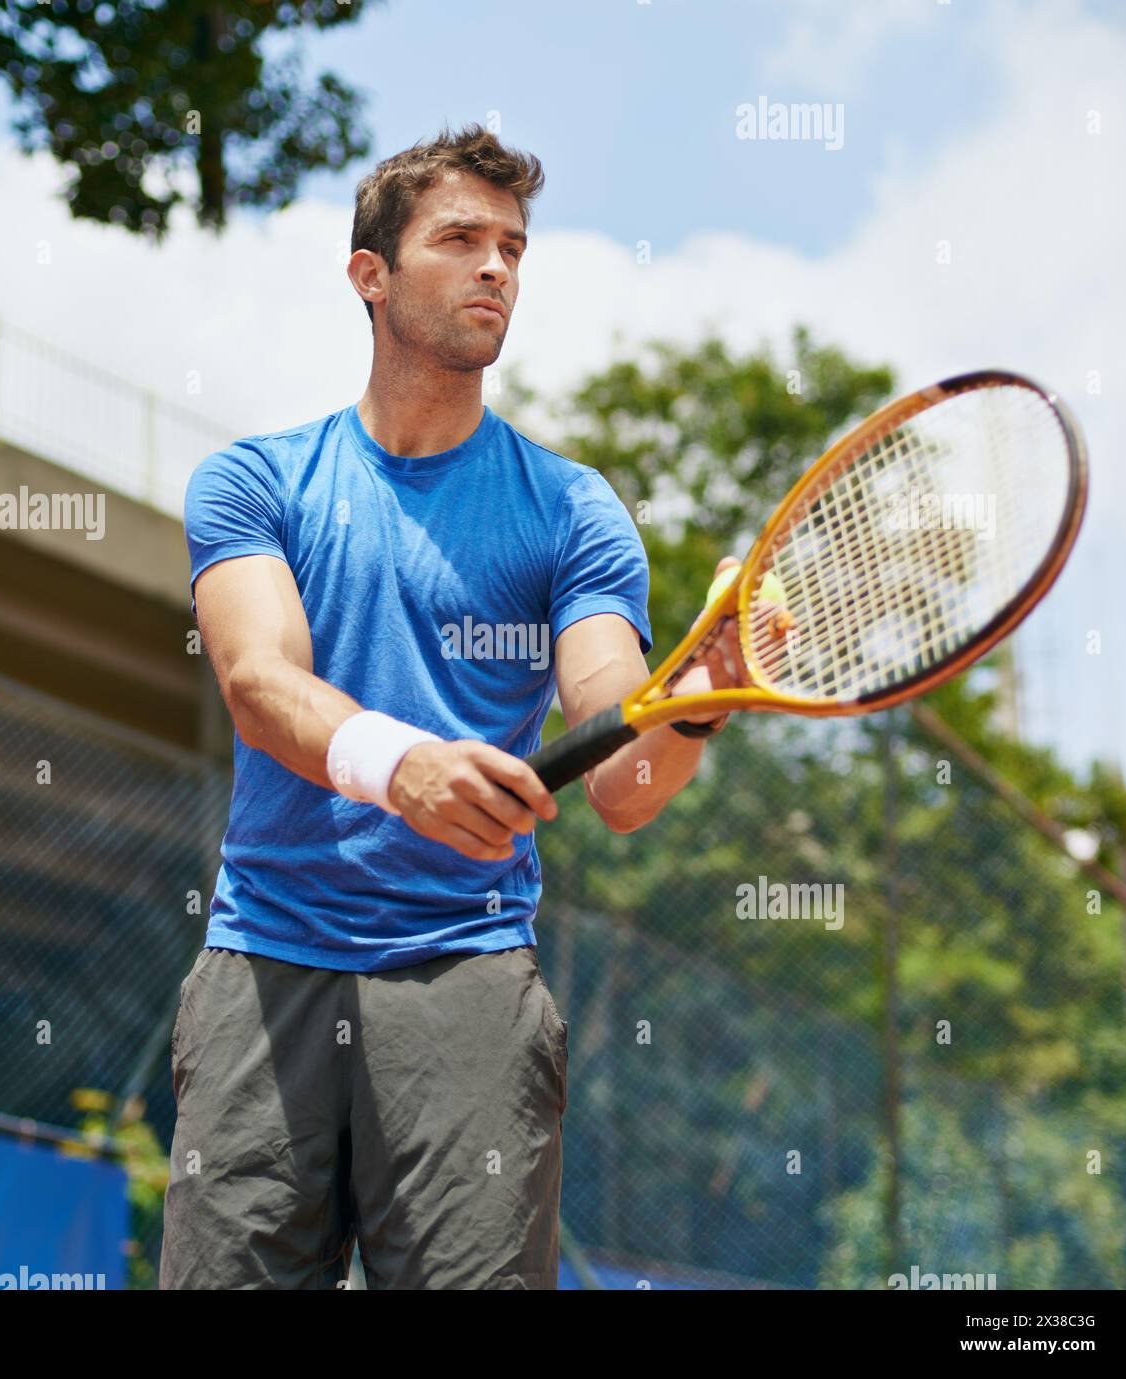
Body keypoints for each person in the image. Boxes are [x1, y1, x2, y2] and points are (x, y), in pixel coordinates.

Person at [160, 123, 751, 1290]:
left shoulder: (575, 512)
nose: (497, 268)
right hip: (262, 966)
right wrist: (404, 764)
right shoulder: (255, 481)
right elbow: (260, 684)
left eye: (514, 248)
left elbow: (622, 776)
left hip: (468, 975)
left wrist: (690, 705)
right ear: (369, 275)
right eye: (462, 239)